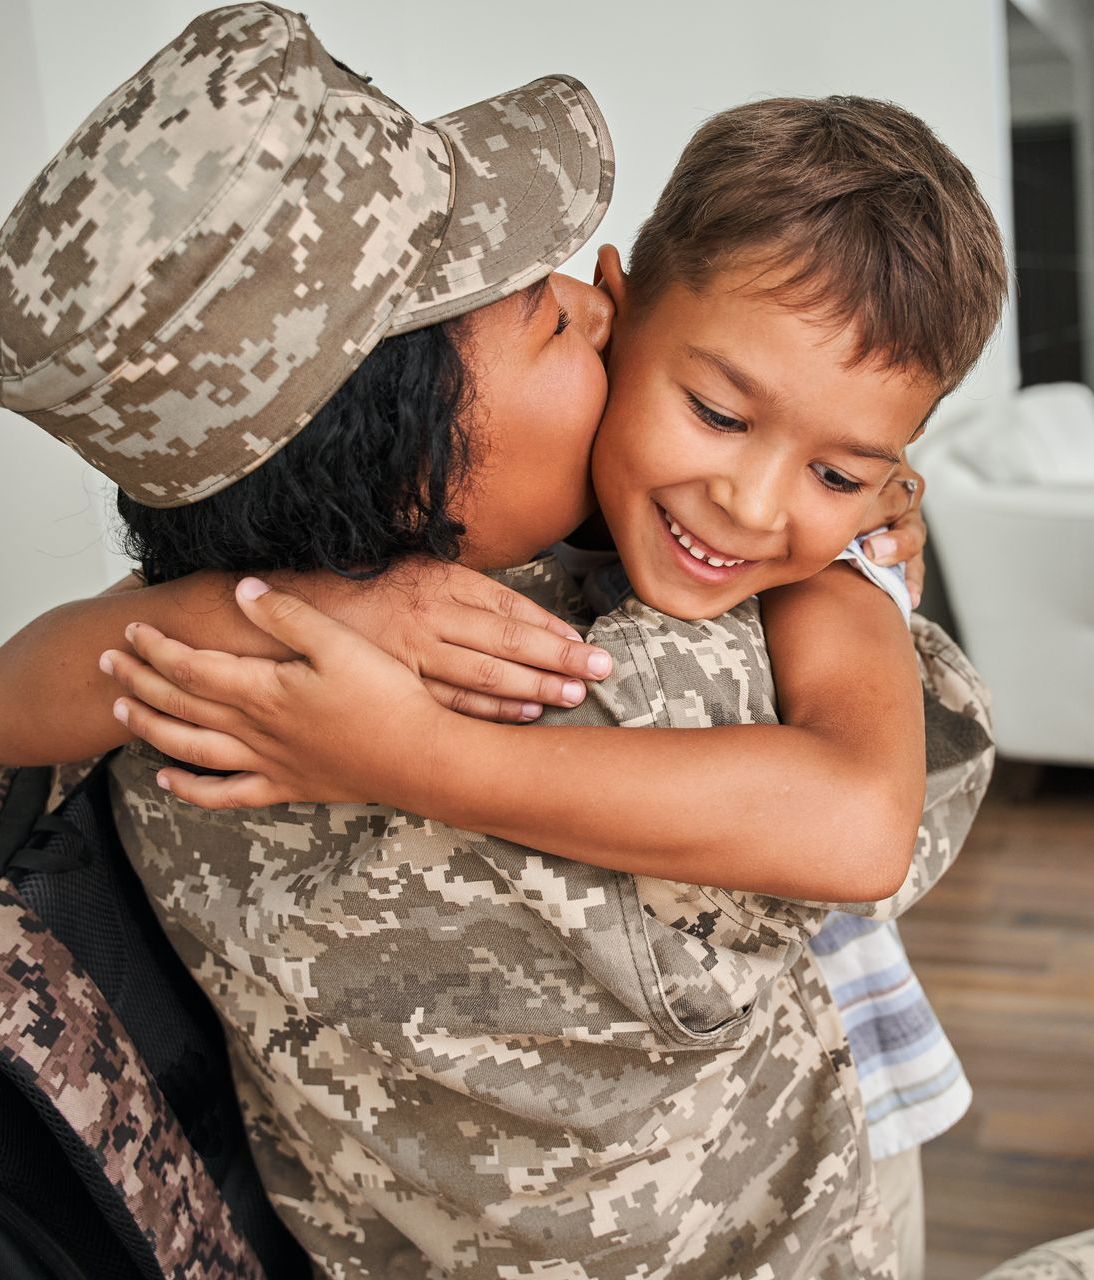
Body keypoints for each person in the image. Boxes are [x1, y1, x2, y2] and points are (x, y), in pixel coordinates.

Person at [0, 8, 1001, 1279]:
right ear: (404, 442)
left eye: (845, 469)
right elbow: (872, 821)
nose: (589, 308)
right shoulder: (657, 674)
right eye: (541, 312)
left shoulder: (183, 687)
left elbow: (18, 694)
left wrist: (264, 619)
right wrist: (836, 571)